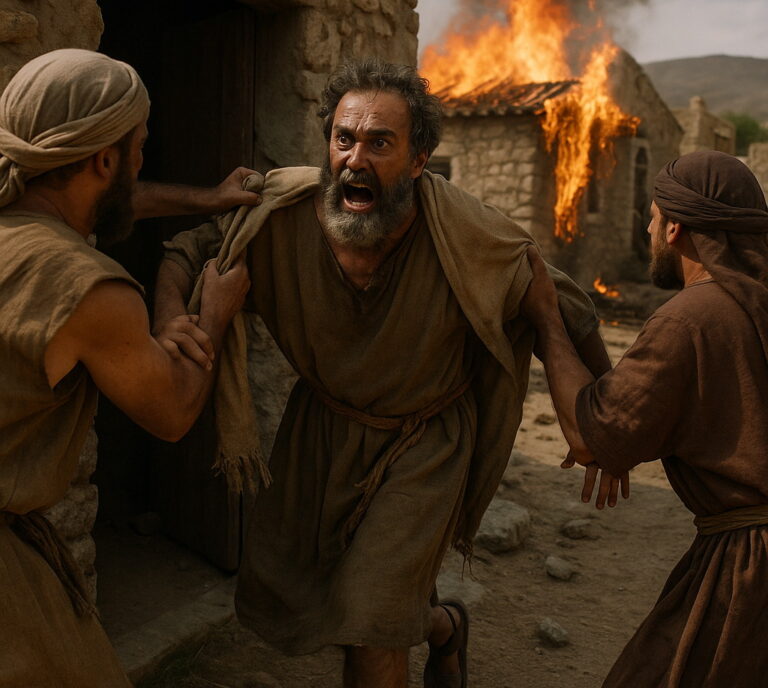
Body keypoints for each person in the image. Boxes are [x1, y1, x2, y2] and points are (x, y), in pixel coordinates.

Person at [154, 57, 619, 688]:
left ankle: (416, 625)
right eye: (344, 139)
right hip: (320, 433)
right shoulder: (279, 216)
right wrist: (169, 317)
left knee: (369, 627)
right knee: (309, 596)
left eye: (380, 143)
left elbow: (569, 311)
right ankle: (444, 626)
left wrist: (611, 426)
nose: (354, 159)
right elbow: (189, 251)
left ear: (419, 160)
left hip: (424, 447)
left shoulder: (468, 236)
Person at [0, 48, 254, 686]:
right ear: (105, 160)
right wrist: (214, 312)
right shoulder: (89, 289)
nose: (144, 159)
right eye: (139, 147)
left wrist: (209, 197)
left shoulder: (18, 214)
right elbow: (171, 412)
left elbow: (115, 200)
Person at [521, 150, 768, 687]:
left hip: (751, 571)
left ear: (676, 227)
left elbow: (590, 439)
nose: (648, 225)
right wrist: (618, 430)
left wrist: (546, 319)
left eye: (654, 215)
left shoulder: (690, 319)